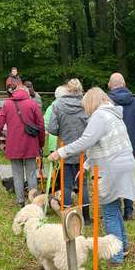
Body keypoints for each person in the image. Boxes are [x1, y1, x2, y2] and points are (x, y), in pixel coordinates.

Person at [49, 87, 135, 266]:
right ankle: (123, 246)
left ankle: (116, 256)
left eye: (85, 106)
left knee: (109, 212)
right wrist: (85, 165)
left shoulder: (100, 116)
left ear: (91, 102)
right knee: (114, 206)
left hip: (112, 167)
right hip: (124, 163)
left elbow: (86, 141)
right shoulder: (112, 114)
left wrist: (61, 152)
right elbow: (99, 144)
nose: (85, 110)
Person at [0, 84, 45, 206]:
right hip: (31, 144)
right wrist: (41, 143)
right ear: (26, 92)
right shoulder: (32, 104)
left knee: (17, 174)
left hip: (14, 145)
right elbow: (41, 125)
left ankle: (20, 201)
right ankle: (34, 202)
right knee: (31, 173)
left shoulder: (7, 104)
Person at [47, 78, 91, 223]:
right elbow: (91, 126)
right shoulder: (85, 104)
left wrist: (62, 130)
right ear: (80, 89)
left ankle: (66, 214)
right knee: (82, 185)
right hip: (82, 151)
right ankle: (85, 216)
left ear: (67, 89)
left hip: (64, 150)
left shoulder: (58, 104)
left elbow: (52, 128)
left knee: (66, 184)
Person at [107, 72, 135, 221]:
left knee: (112, 178)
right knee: (128, 178)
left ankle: (115, 209)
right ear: (124, 84)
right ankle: (129, 211)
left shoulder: (106, 102)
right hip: (130, 148)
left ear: (110, 85)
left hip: (111, 147)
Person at [43, 85, 68, 154]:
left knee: (54, 162)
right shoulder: (69, 107)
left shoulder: (50, 108)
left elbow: (45, 125)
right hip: (66, 141)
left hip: (53, 142)